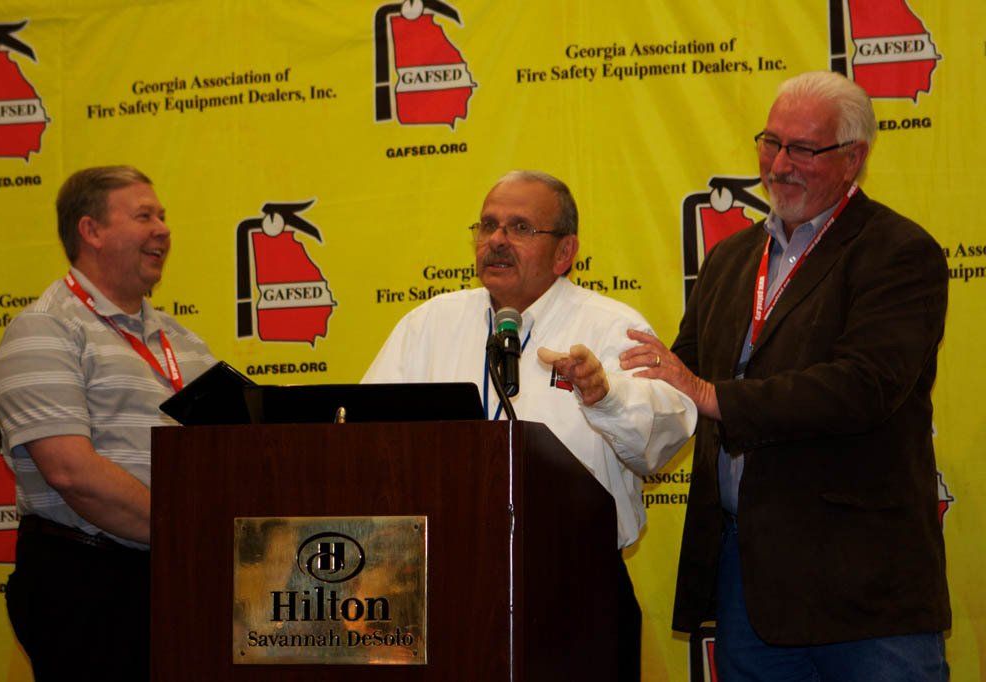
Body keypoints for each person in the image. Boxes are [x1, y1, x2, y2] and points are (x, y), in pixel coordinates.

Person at [622, 71, 950, 680]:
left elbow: (862, 387)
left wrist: (714, 396)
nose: (779, 164)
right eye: (770, 143)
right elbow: (680, 378)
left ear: (855, 158)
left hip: (864, 591)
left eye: (803, 148)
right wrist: (606, 388)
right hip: (749, 584)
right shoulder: (728, 259)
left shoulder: (899, 252)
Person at [363, 170, 697, 680]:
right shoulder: (428, 325)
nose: (496, 240)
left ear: (565, 253)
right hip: (440, 587)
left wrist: (605, 395)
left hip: (574, 589)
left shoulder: (610, 325)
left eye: (520, 228)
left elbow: (664, 433)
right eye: (488, 225)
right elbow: (365, 437)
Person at [0, 166, 215, 681]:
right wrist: (196, 533)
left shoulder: (187, 345)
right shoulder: (44, 329)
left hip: (180, 580)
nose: (163, 229)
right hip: (87, 586)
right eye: (144, 215)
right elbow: (71, 472)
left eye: (163, 216)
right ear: (91, 231)